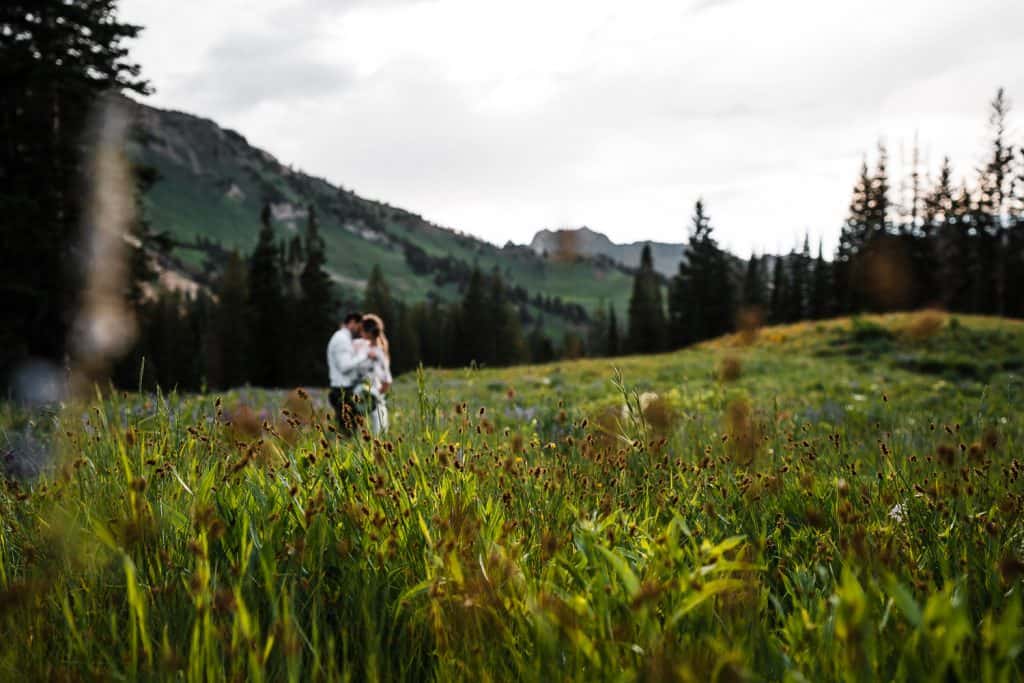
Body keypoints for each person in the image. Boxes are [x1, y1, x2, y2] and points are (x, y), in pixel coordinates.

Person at [326, 312, 377, 434]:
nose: (361, 330)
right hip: (342, 390)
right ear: (352, 322)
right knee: (348, 431)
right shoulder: (341, 339)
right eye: (360, 325)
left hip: (345, 389)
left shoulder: (344, 338)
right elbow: (344, 366)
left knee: (351, 427)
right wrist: (365, 355)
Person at [352, 313, 392, 436]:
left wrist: (376, 397)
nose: (360, 334)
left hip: (373, 395)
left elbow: (386, 382)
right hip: (358, 394)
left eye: (362, 331)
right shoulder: (360, 345)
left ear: (368, 332)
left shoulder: (379, 353)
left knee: (378, 432)